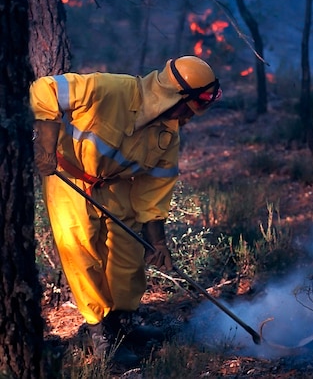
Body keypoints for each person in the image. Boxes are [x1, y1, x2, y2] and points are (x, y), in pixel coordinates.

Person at [30, 55, 222, 365]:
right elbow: (45, 88)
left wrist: (157, 240)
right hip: (71, 179)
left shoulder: (167, 135)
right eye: (193, 106)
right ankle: (98, 332)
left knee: (129, 255)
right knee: (81, 253)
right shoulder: (110, 89)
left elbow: (155, 187)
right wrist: (47, 142)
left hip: (114, 184)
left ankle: (122, 326)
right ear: (175, 96)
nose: (191, 116)